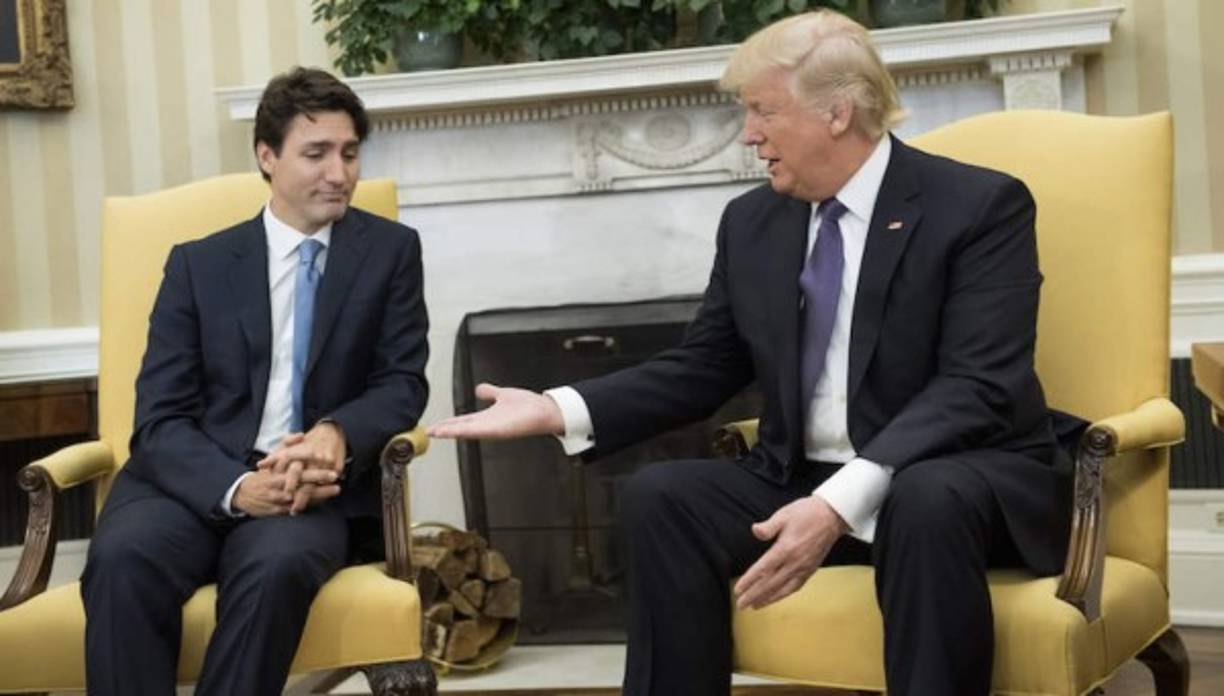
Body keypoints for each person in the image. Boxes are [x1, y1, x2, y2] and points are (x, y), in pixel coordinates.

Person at [430, 10, 1076, 696]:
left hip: (952, 477)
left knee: (924, 497)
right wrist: (557, 408)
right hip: (801, 475)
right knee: (661, 497)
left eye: (763, 110)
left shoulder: (978, 206)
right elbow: (705, 364)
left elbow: (977, 385)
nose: (748, 134)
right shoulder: (753, 222)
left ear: (837, 113)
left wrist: (838, 503)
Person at [80, 67, 429, 696]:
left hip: (309, 492)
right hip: (188, 486)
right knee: (123, 558)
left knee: (275, 568)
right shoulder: (198, 264)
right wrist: (237, 488)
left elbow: (402, 381)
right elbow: (159, 418)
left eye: (350, 153)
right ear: (267, 156)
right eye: (316, 154)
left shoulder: (390, 252)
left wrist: (337, 433)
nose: (339, 173)